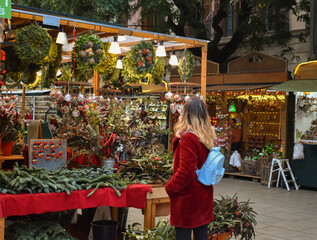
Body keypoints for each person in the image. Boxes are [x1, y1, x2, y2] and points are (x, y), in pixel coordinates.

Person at [165, 97, 216, 240]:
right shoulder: (206, 136)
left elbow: (186, 170)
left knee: (183, 235)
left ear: (186, 114)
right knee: (201, 234)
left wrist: (171, 187)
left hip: (187, 198)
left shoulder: (188, 138)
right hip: (203, 194)